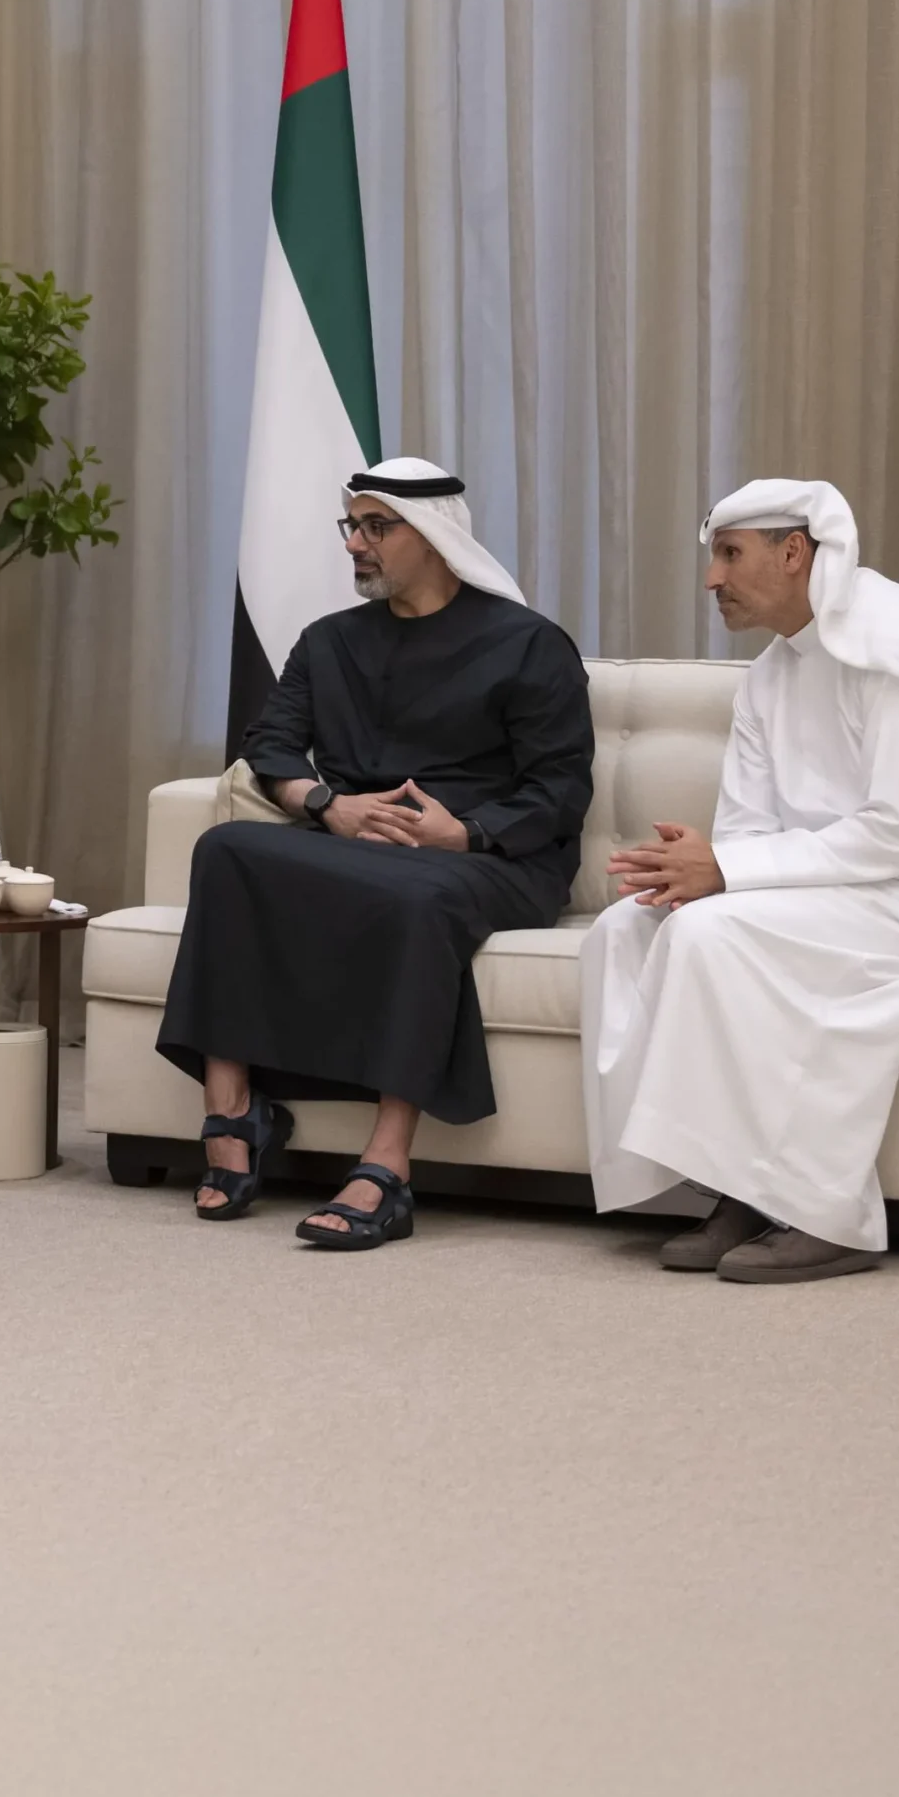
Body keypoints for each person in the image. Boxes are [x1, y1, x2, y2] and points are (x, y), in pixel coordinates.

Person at [582, 479, 899, 1283]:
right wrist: (708, 868)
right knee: (627, 927)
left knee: (714, 930)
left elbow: (896, 837)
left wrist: (728, 872)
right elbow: (753, 831)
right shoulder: (767, 676)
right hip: (840, 888)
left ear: (795, 553)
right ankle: (734, 1186)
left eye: (729, 555)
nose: (712, 580)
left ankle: (829, 1212)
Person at [156, 457, 594, 1248]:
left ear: (432, 536)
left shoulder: (529, 644)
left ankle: (388, 1164)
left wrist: (461, 832)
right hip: (358, 845)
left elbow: (559, 791)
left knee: (418, 897)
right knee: (226, 849)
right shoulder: (329, 643)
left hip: (493, 858)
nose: (356, 544)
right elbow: (272, 745)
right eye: (351, 526)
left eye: (376, 527)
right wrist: (329, 805)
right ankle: (232, 1109)